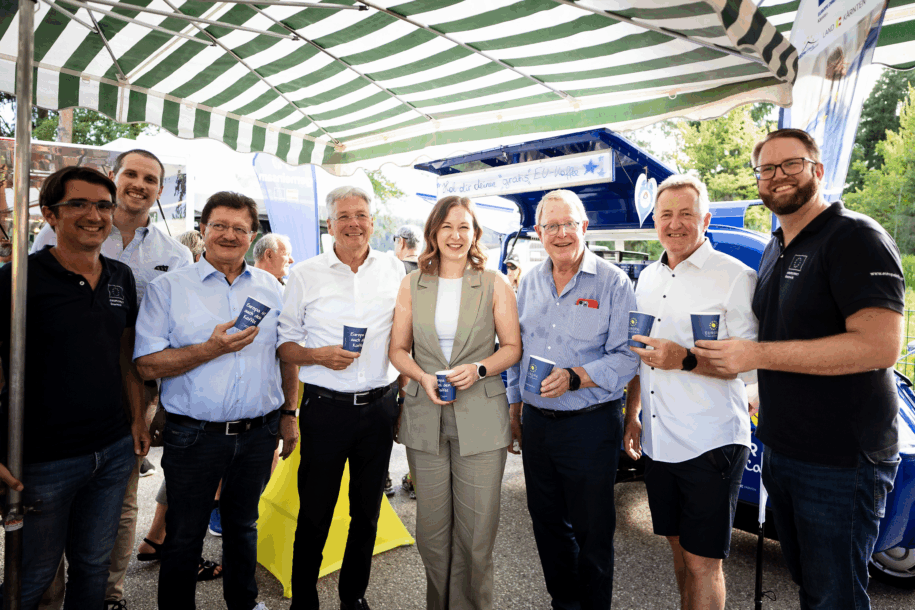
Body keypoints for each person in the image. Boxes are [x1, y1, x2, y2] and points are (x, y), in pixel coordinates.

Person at [693, 128, 905, 610]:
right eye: (766, 169)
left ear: (818, 170)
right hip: (783, 450)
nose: (778, 176)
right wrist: (758, 388)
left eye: (791, 164)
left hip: (842, 460)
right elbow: (788, 332)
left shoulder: (856, 236)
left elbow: (879, 347)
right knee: (812, 587)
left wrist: (757, 358)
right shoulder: (776, 246)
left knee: (835, 597)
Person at [28, 149, 193, 610]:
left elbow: (146, 340)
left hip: (126, 403)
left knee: (116, 512)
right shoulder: (43, 250)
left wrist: (149, 410)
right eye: (131, 174)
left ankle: (109, 597)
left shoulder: (170, 255)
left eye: (150, 178)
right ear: (114, 177)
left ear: (160, 190)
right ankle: (49, 601)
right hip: (52, 413)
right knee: (44, 543)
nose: (140, 184)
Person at [134, 191, 299, 610]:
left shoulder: (272, 288)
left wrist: (289, 414)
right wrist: (210, 349)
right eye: (219, 225)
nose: (228, 235)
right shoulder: (169, 288)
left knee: (243, 527)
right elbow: (147, 365)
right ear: (203, 229)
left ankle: (245, 604)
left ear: (252, 235)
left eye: (239, 228)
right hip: (194, 437)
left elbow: (286, 356)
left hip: (259, 433)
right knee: (184, 534)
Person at [0, 166, 150, 608]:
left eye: (103, 205)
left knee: (94, 567)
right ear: (49, 214)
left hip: (113, 451)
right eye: (78, 204)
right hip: (44, 459)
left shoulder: (120, 276)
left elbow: (125, 354)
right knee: (32, 578)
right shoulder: (18, 279)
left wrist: (137, 418)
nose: (94, 215)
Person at [622, 175, 758, 610]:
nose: (675, 223)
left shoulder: (735, 277)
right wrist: (632, 414)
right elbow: (641, 356)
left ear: (706, 219)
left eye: (686, 214)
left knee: (703, 564)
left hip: (710, 442)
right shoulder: (647, 277)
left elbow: (751, 365)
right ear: (655, 222)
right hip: (659, 442)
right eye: (666, 214)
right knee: (680, 554)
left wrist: (683, 358)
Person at [506, 189, 639, 610]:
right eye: (552, 225)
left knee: (592, 531)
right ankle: (564, 604)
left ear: (584, 227)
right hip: (538, 424)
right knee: (547, 525)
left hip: (590, 424)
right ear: (538, 231)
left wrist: (576, 377)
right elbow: (516, 348)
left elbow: (629, 355)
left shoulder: (614, 282)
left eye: (569, 224)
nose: (561, 233)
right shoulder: (529, 282)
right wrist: (514, 406)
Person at [389, 196, 522, 610]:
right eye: (446, 226)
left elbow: (512, 348)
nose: (455, 235)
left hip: (481, 417)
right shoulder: (412, 283)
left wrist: (479, 369)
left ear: (475, 234)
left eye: (464, 226)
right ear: (433, 232)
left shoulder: (495, 283)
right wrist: (422, 376)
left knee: (476, 535)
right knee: (431, 534)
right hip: (424, 416)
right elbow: (397, 350)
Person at [278, 186, 404, 610]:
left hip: (380, 407)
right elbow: (284, 345)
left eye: (361, 215)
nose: (354, 223)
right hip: (325, 410)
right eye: (344, 216)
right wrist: (317, 355)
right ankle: (304, 601)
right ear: (329, 225)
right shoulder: (304, 274)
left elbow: (405, 337)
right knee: (314, 513)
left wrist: (403, 398)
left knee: (366, 514)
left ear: (373, 222)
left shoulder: (393, 269)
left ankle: (354, 597)